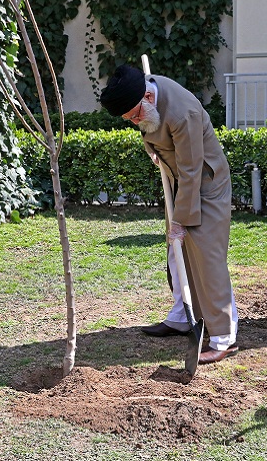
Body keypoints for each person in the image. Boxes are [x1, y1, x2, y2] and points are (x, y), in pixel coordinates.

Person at [99, 64, 239, 365]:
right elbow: (153, 129)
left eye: (135, 115)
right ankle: (180, 315)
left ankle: (223, 337)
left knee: (207, 255)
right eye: (130, 119)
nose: (135, 122)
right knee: (176, 251)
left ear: (148, 96)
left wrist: (180, 219)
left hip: (205, 183)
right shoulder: (144, 94)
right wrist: (154, 150)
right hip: (181, 180)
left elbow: (192, 169)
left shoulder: (182, 113)